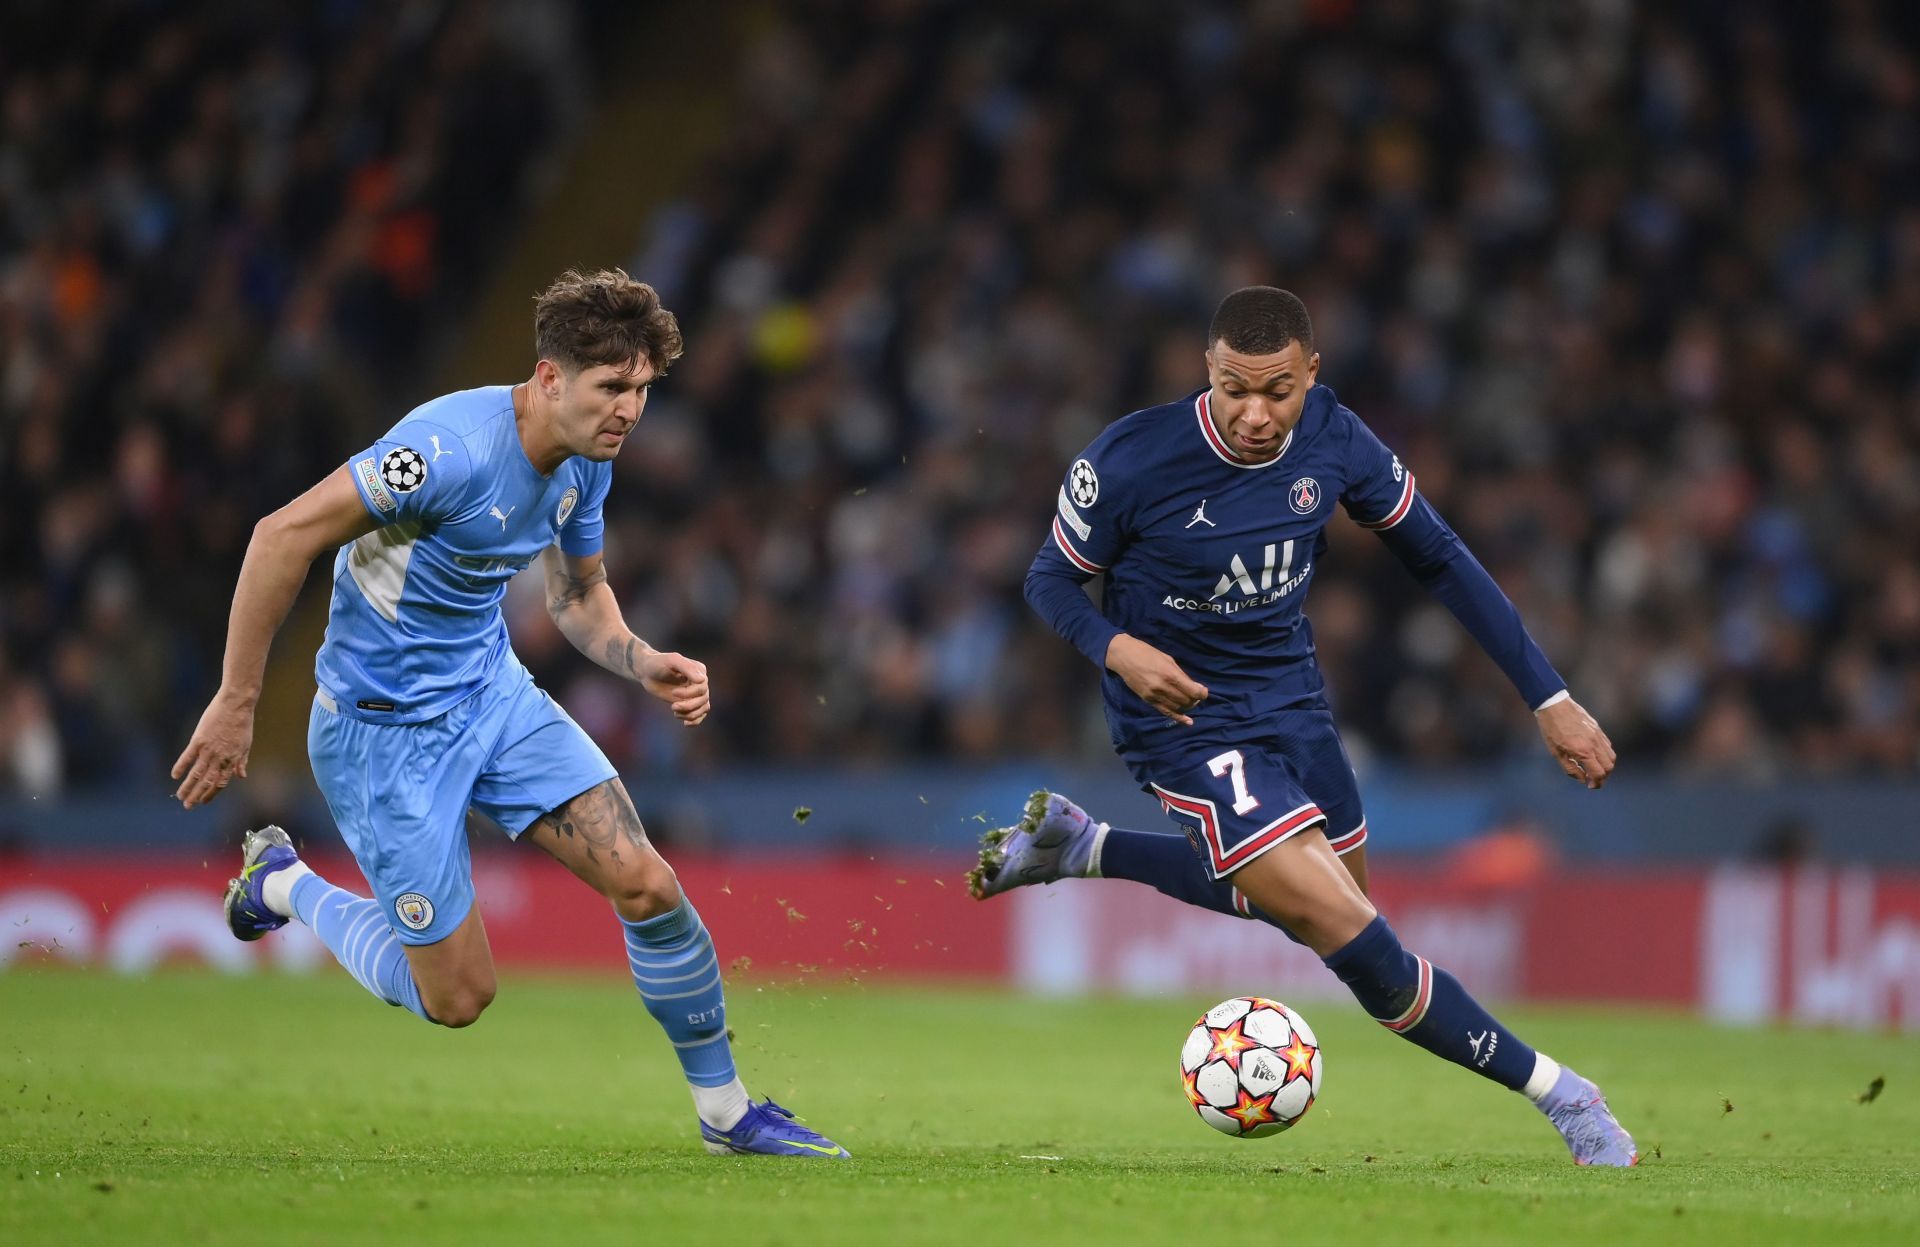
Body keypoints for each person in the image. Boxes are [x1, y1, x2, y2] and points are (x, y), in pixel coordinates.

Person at [172, 269, 848, 1159]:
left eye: (643, 390)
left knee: (647, 883)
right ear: (549, 378)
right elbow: (280, 535)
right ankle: (285, 883)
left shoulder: (586, 458)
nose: (631, 412)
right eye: (614, 389)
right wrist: (237, 700)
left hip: (492, 696)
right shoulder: (444, 451)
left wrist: (642, 660)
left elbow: (577, 595)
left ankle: (726, 1114)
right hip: (383, 735)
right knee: (458, 997)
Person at [971, 286, 1635, 1166]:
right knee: (1364, 947)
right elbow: (1050, 579)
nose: (1254, 413)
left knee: (1326, 914)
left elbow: (1439, 554)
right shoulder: (1130, 458)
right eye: (1234, 388)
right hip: (1185, 721)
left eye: (1277, 390)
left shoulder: (1336, 436)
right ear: (1206, 370)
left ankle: (1085, 848)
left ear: (1310, 374)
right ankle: (1564, 1094)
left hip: (1293, 701)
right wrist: (1117, 647)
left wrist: (1548, 697)